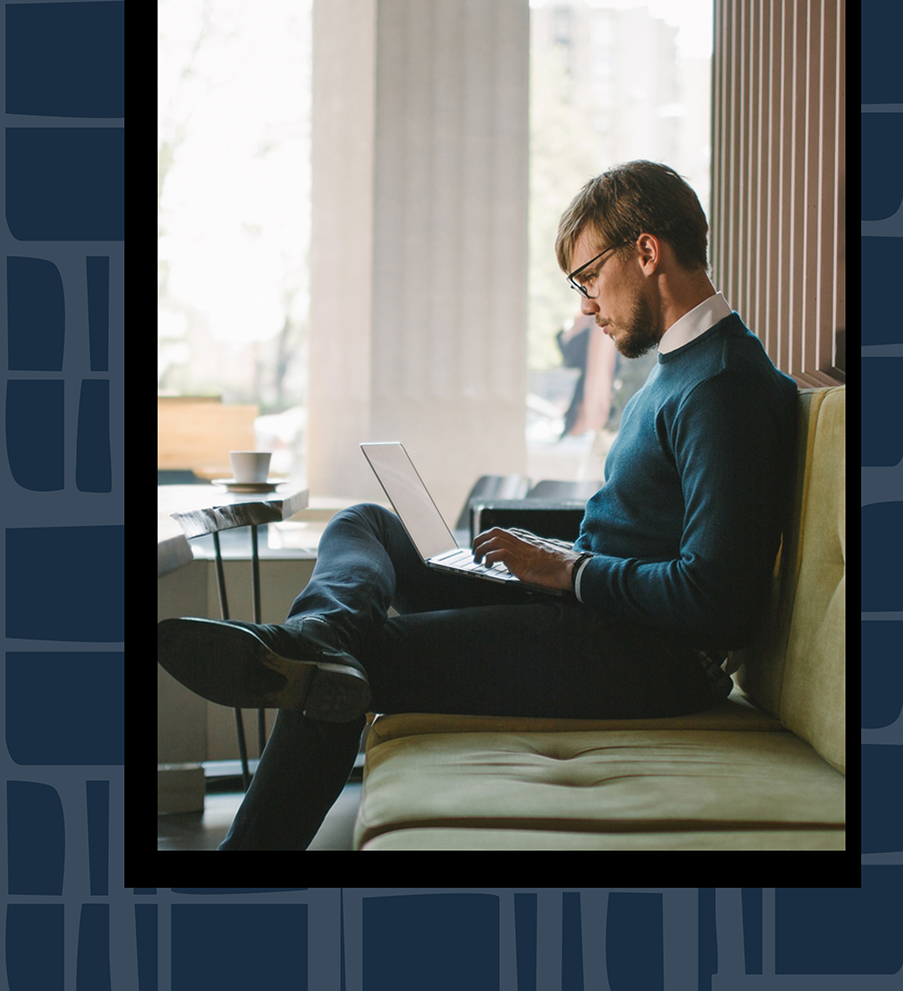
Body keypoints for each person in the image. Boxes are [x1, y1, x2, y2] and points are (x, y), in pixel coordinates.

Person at [157, 161, 798, 850]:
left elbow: (717, 599)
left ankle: (256, 824)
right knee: (364, 521)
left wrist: (570, 570)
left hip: (641, 657)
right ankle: (317, 632)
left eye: (586, 277)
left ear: (645, 252)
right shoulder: (681, 370)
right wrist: (553, 560)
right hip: (593, 615)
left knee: (345, 670)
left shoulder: (722, 384)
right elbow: (648, 526)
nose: (584, 305)